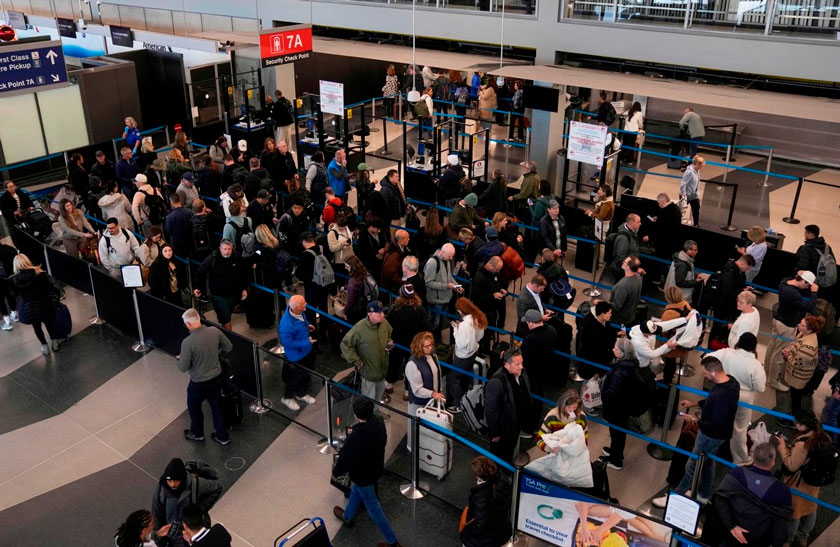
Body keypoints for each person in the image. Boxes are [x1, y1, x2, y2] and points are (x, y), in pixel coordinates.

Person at [653, 356, 740, 507]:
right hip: (719, 436)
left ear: (713, 372)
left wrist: (694, 420)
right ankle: (703, 495)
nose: (704, 376)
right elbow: (713, 400)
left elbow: (715, 423)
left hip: (709, 436)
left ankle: (674, 497)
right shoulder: (731, 382)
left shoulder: (722, 395)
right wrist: (695, 403)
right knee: (707, 462)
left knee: (692, 466)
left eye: (705, 373)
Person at [332, 398, 402, 547]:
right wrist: (358, 430)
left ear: (357, 416)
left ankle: (393, 542)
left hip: (363, 476)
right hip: (375, 468)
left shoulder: (355, 438)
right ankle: (348, 516)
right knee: (356, 491)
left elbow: (345, 459)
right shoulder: (379, 422)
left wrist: (336, 472)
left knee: (374, 510)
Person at [708, 442, 792, 547]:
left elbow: (719, 499)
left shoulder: (736, 474)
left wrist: (732, 526)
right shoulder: (782, 490)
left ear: (753, 456)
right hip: (757, 540)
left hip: (729, 534)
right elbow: (781, 524)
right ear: (772, 463)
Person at [774, 409, 833, 547]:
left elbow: (792, 466)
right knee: (811, 507)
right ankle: (803, 537)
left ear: (803, 425)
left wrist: (782, 448)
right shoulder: (823, 436)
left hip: (799, 482)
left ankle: (788, 540)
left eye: (797, 423)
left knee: (795, 512)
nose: (795, 425)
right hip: (814, 481)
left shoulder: (803, 443)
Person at [708, 333, 766, 466]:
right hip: (744, 398)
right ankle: (740, 459)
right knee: (739, 428)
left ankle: (710, 450)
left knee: (718, 420)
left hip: (723, 391)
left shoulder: (727, 353)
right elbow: (761, 387)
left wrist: (716, 377)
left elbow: (707, 359)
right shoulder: (756, 365)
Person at [177, 307, 232, 445]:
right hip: (216, 377)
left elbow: (182, 367)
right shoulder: (215, 331)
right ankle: (222, 436)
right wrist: (216, 355)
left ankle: (197, 433)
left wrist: (181, 359)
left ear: (188, 324)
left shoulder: (188, 342)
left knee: (194, 406)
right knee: (217, 407)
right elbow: (228, 347)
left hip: (198, 382)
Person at [765, 272, 818, 391]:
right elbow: (809, 307)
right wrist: (814, 292)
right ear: (803, 281)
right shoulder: (793, 293)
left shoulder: (785, 282)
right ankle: (772, 381)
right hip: (786, 326)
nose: (807, 288)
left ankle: (767, 373)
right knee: (778, 354)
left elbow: (792, 278)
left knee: (772, 348)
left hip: (777, 320)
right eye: (808, 285)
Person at [151, 457, 223, 546]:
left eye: (176, 480)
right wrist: (160, 541)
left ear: (182, 478)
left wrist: (201, 508)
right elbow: (157, 515)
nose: (172, 484)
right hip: (175, 537)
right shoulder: (161, 491)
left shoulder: (195, 484)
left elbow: (216, 489)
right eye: (169, 481)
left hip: (194, 529)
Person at [341, 301, 393, 408]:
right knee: (368, 399)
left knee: (378, 396)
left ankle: (375, 412)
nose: (383, 315)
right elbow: (345, 344)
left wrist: (388, 342)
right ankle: (369, 418)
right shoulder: (359, 328)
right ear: (370, 314)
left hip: (382, 370)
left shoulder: (384, 323)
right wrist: (357, 361)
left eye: (382, 312)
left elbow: (389, 334)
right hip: (368, 372)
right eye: (379, 313)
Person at [599, 338, 640, 470]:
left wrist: (602, 393)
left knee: (617, 433)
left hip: (617, 408)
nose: (613, 350)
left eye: (616, 348)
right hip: (623, 406)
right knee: (617, 432)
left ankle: (616, 460)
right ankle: (615, 451)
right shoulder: (631, 364)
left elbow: (611, 393)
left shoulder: (621, 371)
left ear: (622, 353)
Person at [485, 347, 531, 463]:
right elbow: (491, 411)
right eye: (517, 364)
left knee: (509, 449)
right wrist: (495, 433)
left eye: (522, 363)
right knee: (501, 455)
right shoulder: (496, 382)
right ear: (507, 364)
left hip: (515, 424)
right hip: (504, 430)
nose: (521, 366)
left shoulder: (520, 372)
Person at [9, 254, 61, 355]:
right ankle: (54, 343)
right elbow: (49, 287)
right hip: (44, 303)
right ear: (27, 260)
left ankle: (44, 346)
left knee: (37, 327)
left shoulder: (15, 279)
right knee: (50, 325)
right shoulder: (39, 273)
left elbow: (14, 294)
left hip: (29, 308)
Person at [387, 284, 431, 399]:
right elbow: (426, 326)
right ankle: (407, 390)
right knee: (411, 366)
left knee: (394, 362)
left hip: (397, 341)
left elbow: (388, 323)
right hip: (414, 343)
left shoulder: (395, 308)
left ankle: (389, 384)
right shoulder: (419, 309)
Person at [193, 240, 248, 330]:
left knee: (227, 314)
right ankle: (229, 338)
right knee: (225, 317)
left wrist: (244, 288)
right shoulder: (212, 258)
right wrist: (197, 287)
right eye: (225, 249)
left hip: (233, 293)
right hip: (218, 295)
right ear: (220, 249)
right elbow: (200, 273)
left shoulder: (237, 256)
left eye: (229, 249)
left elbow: (243, 273)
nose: (227, 251)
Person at [520, 309, 562, 426]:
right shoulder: (551, 330)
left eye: (527, 322)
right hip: (547, 369)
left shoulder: (530, 338)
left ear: (531, 323)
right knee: (539, 397)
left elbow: (523, 358)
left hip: (532, 373)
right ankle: (535, 421)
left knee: (530, 398)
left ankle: (530, 426)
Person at [459, 456, 512, 547]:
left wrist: (464, 533)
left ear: (479, 477)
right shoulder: (503, 480)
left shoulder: (482, 497)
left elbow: (480, 525)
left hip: (486, 540)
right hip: (502, 531)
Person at [404, 331, 445, 451]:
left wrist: (439, 390)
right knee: (415, 428)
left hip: (432, 400)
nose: (430, 348)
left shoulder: (432, 355)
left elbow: (437, 374)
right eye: (427, 346)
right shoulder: (412, 364)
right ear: (419, 347)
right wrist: (433, 393)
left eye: (431, 345)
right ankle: (413, 448)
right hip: (418, 403)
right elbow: (416, 389)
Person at [277, 295, 318, 411]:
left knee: (304, 375)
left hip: (306, 351)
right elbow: (288, 344)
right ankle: (287, 398)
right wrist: (306, 341)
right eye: (303, 303)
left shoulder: (300, 313)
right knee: (294, 377)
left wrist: (307, 325)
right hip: (296, 356)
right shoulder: (286, 325)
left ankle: (301, 394)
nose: (306, 304)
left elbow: (303, 321)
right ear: (296, 307)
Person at [781, 315, 824, 419]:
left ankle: (796, 418)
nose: (798, 325)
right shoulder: (804, 334)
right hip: (796, 374)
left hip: (798, 377)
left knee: (796, 398)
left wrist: (787, 355)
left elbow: (797, 363)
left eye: (802, 325)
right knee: (794, 396)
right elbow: (795, 344)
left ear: (809, 330)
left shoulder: (809, 346)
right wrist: (789, 349)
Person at [448, 297, 487, 412]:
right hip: (473, 352)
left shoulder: (465, 325)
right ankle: (466, 397)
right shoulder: (477, 318)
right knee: (465, 377)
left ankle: (459, 405)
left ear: (460, 311)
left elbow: (461, 344)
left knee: (454, 380)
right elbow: (479, 336)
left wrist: (456, 330)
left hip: (463, 356)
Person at [424, 243, 464, 336]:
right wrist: (446, 286)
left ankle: (437, 341)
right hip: (435, 300)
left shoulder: (446, 260)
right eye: (450, 256)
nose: (451, 258)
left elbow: (449, 276)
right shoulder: (432, 262)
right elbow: (428, 282)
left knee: (439, 323)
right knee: (434, 323)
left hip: (445, 298)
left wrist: (456, 286)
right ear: (442, 252)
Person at [644, 193, 682, 284]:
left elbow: (663, 229)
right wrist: (659, 219)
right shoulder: (674, 208)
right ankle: (662, 279)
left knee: (662, 262)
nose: (658, 205)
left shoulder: (667, 212)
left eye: (659, 203)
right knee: (664, 261)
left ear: (663, 202)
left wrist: (650, 237)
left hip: (665, 243)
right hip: (671, 242)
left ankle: (664, 281)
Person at [659, 286, 692, 384]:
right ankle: (669, 378)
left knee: (669, 362)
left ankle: (667, 381)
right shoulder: (686, 305)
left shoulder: (669, 312)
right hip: (681, 338)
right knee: (671, 362)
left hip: (670, 340)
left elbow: (663, 329)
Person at [577, 300, 615, 380]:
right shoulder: (591, 330)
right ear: (602, 314)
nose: (611, 315)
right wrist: (596, 371)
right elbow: (593, 353)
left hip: (601, 358)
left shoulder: (604, 320)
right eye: (609, 313)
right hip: (591, 365)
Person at [470, 256, 506, 333]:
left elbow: (495, 283)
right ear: (490, 265)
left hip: (492, 311)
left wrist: (500, 289)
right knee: (485, 336)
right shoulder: (478, 277)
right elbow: (476, 298)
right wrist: (492, 296)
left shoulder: (492, 273)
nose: (497, 272)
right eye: (496, 269)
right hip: (483, 312)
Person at [605, 213, 641, 281]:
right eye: (638, 222)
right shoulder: (623, 239)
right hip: (623, 270)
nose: (640, 224)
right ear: (632, 223)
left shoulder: (631, 232)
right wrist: (633, 269)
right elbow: (620, 258)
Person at [609, 256, 643, 327]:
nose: (623, 262)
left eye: (624, 262)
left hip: (619, 319)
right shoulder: (638, 277)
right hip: (630, 315)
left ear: (628, 267)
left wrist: (602, 303)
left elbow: (616, 306)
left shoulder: (623, 286)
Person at [343, 256, 375, 323]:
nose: (345, 268)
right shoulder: (364, 272)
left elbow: (351, 300)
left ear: (353, 266)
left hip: (356, 309)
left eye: (347, 266)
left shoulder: (353, 280)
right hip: (365, 304)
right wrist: (346, 287)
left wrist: (346, 312)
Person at [356, 218, 388, 282]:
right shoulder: (363, 236)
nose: (379, 231)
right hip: (369, 267)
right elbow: (362, 253)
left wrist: (384, 250)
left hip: (380, 265)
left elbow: (384, 243)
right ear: (371, 227)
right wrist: (376, 254)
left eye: (380, 229)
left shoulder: (380, 233)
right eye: (378, 229)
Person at [165, 193, 195, 259]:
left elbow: (168, 230)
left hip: (177, 245)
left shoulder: (170, 217)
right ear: (180, 200)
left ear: (171, 202)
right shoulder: (190, 212)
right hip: (191, 244)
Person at [328, 209, 355, 275]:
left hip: (350, 259)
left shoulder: (346, 227)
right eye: (341, 228)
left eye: (345, 226)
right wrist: (342, 244)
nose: (343, 229)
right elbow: (332, 248)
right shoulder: (332, 233)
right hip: (340, 262)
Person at [680, 155, 704, 226]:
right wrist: (683, 196)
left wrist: (697, 193)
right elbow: (683, 184)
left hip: (693, 195)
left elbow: (697, 183)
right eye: (701, 165)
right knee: (681, 211)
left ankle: (696, 224)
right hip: (686, 195)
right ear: (697, 164)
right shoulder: (689, 172)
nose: (702, 166)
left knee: (696, 210)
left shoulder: (697, 171)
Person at [0, 243, 19, 331]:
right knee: (10, 296)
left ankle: (7, 322)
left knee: (1, 301)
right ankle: (14, 315)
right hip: (10, 278)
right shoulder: (10, 249)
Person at [305, 151, 329, 217]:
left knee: (320, 207)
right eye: (323, 156)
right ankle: (316, 221)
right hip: (316, 192)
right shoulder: (314, 167)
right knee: (316, 208)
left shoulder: (323, 165)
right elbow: (309, 179)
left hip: (322, 191)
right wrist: (308, 190)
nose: (324, 157)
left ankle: (318, 219)